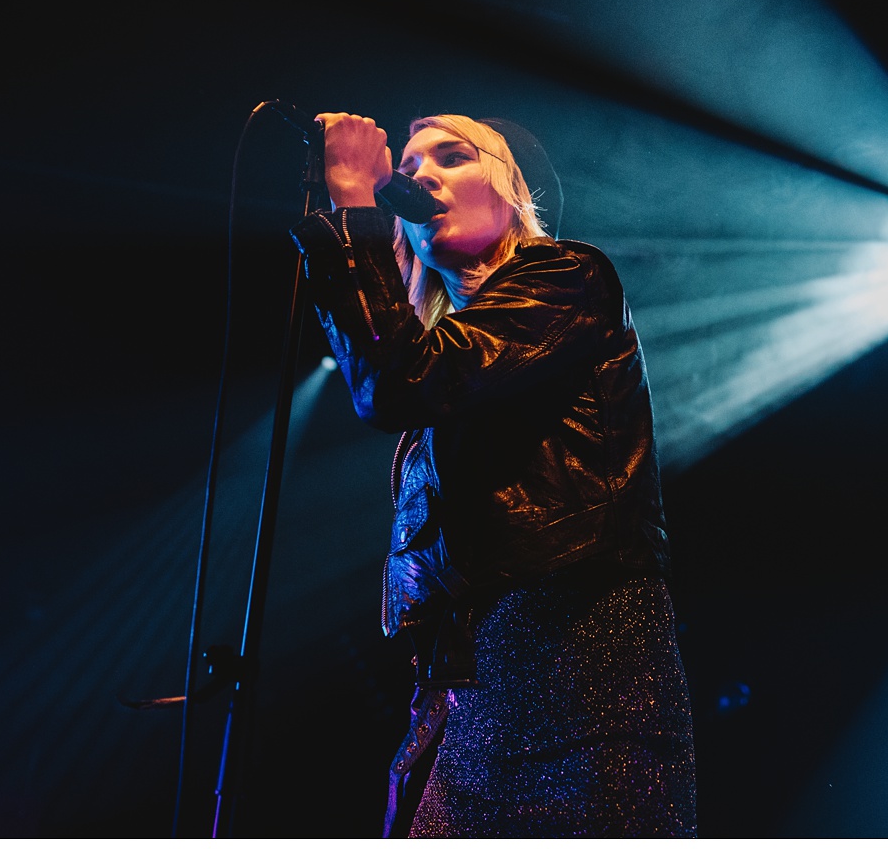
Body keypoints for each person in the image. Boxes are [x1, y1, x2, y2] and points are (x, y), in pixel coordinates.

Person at [288, 112, 696, 837]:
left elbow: (399, 382)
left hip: (584, 680)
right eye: (408, 174)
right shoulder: (442, 386)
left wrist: (352, 200)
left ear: (509, 192)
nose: (422, 179)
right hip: (471, 714)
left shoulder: (571, 278)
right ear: (405, 231)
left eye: (451, 156)